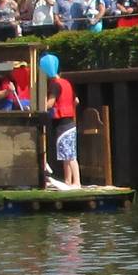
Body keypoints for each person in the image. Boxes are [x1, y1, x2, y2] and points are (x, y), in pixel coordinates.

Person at [45, 60, 80, 191]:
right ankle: (68, 180)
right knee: (65, 154)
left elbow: (49, 103)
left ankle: (77, 182)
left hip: (63, 122)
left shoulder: (54, 85)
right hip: (69, 120)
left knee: (70, 155)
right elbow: (76, 101)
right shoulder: (67, 83)